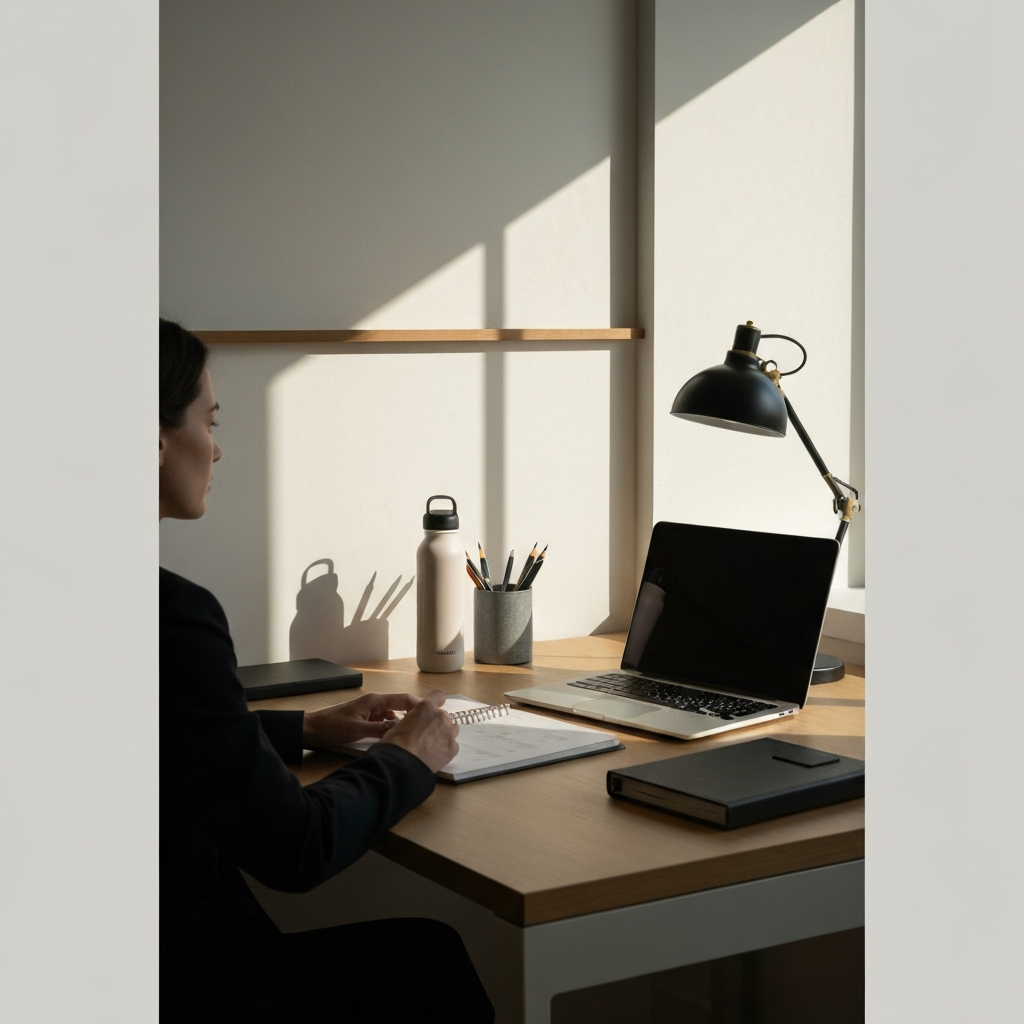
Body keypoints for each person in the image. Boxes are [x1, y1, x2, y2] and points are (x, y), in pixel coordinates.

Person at [159, 319, 493, 1023]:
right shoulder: (173, 618)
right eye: (208, 422)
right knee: (430, 964)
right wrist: (408, 758)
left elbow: (164, 739)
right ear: (152, 441)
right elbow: (297, 848)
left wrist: (305, 729)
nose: (216, 448)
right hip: (177, 981)